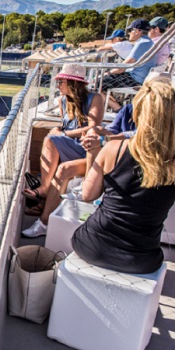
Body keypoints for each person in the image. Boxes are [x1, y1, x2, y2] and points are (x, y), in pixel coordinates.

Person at [72, 78, 175, 274]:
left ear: (138, 114)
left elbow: (87, 195)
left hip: (92, 246)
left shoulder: (114, 149)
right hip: (142, 258)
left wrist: (93, 153)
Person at [22, 63, 103, 237]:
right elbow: (65, 125)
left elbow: (93, 127)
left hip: (90, 152)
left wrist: (63, 133)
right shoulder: (63, 101)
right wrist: (61, 132)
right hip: (71, 147)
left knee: (52, 141)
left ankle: (44, 212)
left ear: (72, 83)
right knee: (52, 141)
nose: (58, 86)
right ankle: (44, 198)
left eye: (61, 82)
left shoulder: (96, 98)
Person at [101, 19, 157, 111]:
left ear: (137, 31)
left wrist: (109, 72)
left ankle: (119, 110)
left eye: (130, 30)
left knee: (96, 84)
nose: (129, 33)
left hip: (135, 79)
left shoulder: (142, 43)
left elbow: (122, 67)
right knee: (103, 81)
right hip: (141, 76)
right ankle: (117, 106)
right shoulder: (148, 42)